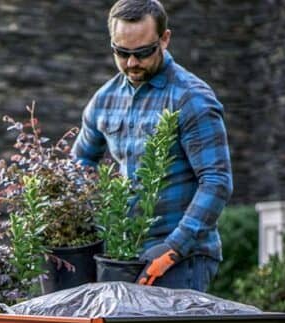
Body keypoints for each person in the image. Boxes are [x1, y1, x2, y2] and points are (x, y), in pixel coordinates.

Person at [72, 0, 232, 294]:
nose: (132, 63)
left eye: (143, 53)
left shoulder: (191, 98)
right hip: (122, 255)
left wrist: (172, 248)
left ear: (165, 39)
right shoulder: (104, 100)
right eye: (122, 52)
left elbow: (216, 181)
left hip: (183, 260)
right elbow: (80, 161)